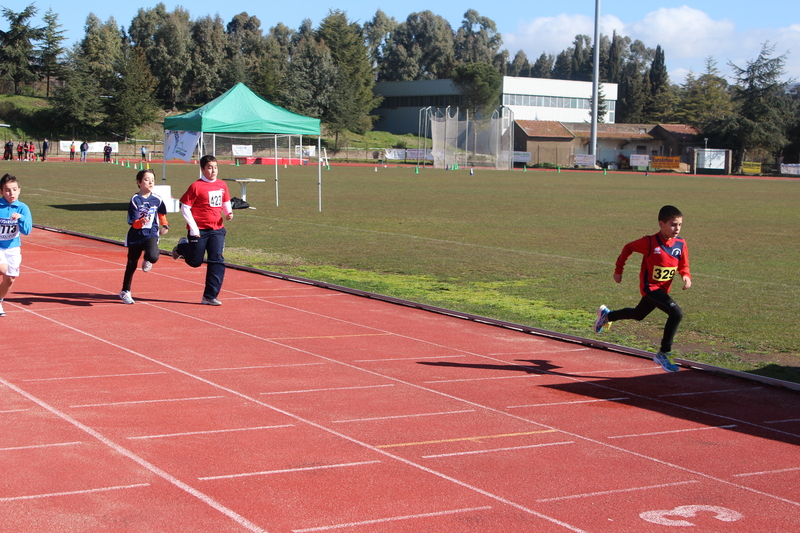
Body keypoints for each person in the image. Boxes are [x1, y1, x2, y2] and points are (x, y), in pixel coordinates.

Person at [594, 205, 692, 373]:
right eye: (673, 224)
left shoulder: (681, 243)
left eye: (680, 225)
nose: (677, 229)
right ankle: (664, 352)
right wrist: (619, 270)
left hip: (663, 289)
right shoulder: (649, 242)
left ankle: (607, 316)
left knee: (639, 315)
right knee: (676, 313)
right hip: (650, 288)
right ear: (661, 224)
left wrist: (685, 275)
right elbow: (628, 247)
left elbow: (683, 264)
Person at [171, 155, 233, 305]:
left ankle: (209, 296)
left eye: (215, 167)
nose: (213, 171)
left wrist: (228, 213)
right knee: (195, 262)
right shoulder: (196, 186)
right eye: (209, 168)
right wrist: (193, 228)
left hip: (217, 229)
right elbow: (185, 207)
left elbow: (225, 201)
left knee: (217, 260)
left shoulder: (222, 185)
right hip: (199, 230)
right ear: (203, 169)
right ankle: (182, 247)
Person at [119, 169, 169, 305]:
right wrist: (140, 222)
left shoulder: (157, 198)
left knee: (153, 256)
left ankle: (147, 258)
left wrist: (165, 225)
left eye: (153, 180)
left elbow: (162, 213)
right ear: (139, 182)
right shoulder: (135, 199)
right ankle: (125, 291)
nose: (151, 182)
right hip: (136, 235)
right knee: (131, 264)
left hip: (151, 233)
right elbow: (133, 222)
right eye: (147, 179)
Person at [0, 174, 33, 317]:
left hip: (13, 247)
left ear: (19, 190)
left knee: (10, 278)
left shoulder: (23, 208)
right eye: (7, 190)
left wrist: (21, 219)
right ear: (1, 192)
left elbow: (27, 231)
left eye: (14, 189)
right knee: (2, 268)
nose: (11, 193)